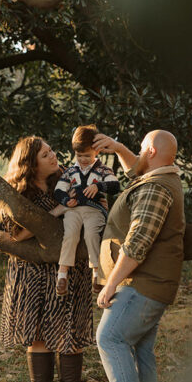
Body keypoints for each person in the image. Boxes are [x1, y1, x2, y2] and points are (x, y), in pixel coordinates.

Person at [92, 129, 185, 382]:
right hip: (150, 283)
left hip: (143, 284)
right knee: (141, 350)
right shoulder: (157, 177)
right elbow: (136, 167)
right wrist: (118, 148)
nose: (138, 155)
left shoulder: (156, 189)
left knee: (110, 338)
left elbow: (138, 244)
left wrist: (110, 285)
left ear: (152, 152)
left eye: (142, 150)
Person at [0, 136, 94, 382]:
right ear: (30, 164)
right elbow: (16, 233)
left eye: (52, 151)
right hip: (32, 271)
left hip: (68, 267)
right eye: (45, 155)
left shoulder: (67, 182)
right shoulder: (16, 193)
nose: (53, 156)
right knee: (37, 335)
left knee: (70, 335)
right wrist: (55, 212)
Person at [53, 124, 121, 296]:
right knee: (70, 234)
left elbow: (115, 185)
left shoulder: (102, 170)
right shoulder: (70, 171)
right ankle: (62, 274)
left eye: (87, 155)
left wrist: (99, 187)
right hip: (73, 210)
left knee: (91, 235)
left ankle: (97, 274)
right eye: (79, 155)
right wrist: (66, 200)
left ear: (96, 152)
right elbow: (58, 190)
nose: (83, 159)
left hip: (94, 210)